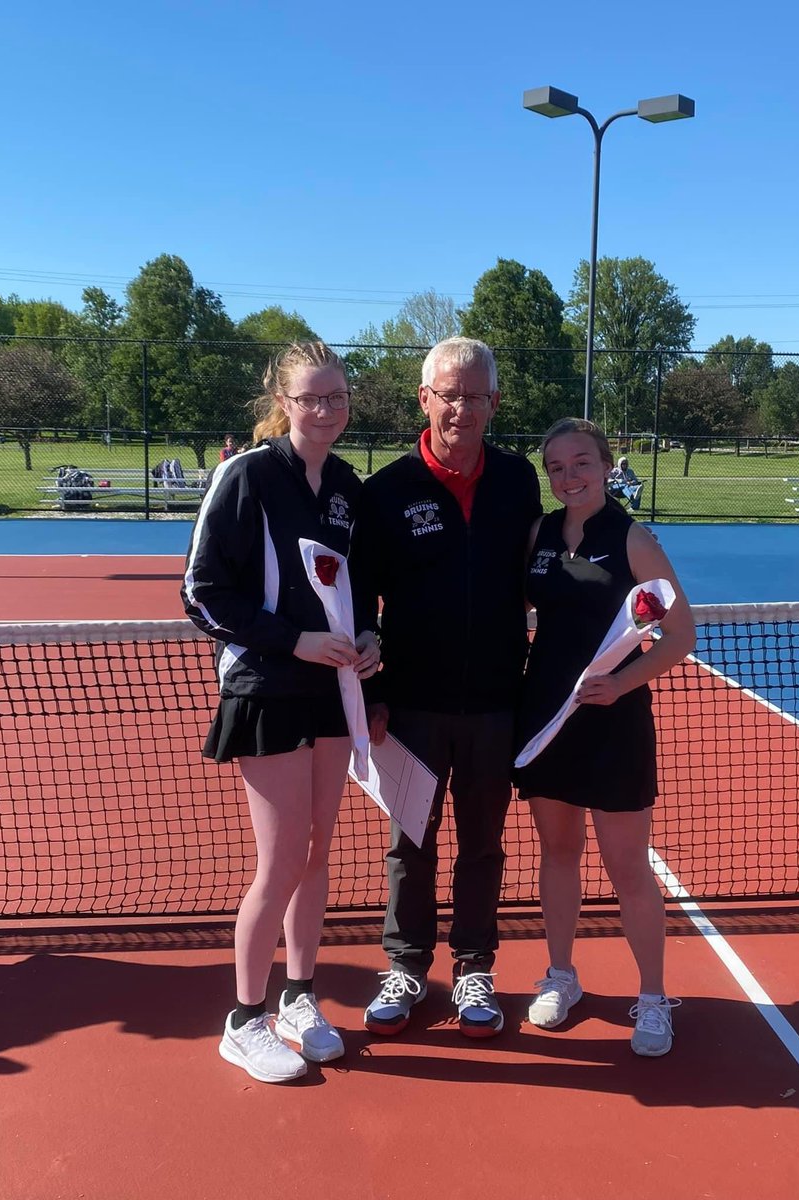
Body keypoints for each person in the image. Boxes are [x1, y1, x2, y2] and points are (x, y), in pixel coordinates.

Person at [181, 342, 380, 1083]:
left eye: (336, 397)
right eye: (311, 398)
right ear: (284, 402)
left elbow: (357, 591)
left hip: (333, 693)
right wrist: (294, 640)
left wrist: (367, 637)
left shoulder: (349, 490)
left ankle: (300, 996)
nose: (325, 409)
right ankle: (245, 1018)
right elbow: (202, 593)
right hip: (265, 690)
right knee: (280, 862)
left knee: (319, 853)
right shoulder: (247, 476)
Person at [350, 337, 541, 1038]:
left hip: (496, 700)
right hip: (410, 705)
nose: (462, 407)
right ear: (424, 399)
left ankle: (474, 967)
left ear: (494, 402)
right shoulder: (386, 492)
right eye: (449, 394)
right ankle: (405, 965)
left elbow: (539, 572)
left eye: (476, 395)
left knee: (484, 842)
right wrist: (369, 694)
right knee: (410, 843)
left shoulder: (519, 481)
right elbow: (359, 601)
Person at [514, 418, 695, 1056]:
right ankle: (561, 975)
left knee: (627, 869)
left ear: (607, 464)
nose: (569, 477)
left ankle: (652, 998)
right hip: (547, 719)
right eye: (556, 467)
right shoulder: (537, 534)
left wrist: (620, 684)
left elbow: (680, 636)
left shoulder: (633, 538)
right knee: (558, 853)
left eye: (581, 463)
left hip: (615, 722)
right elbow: (518, 614)